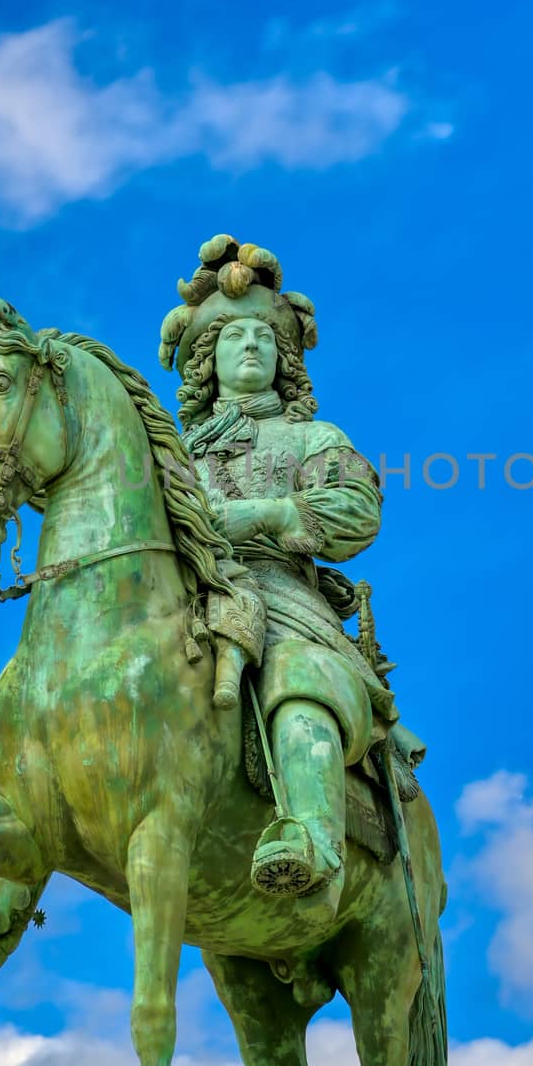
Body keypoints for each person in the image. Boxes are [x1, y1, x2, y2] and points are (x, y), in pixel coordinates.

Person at [159, 236, 398, 905]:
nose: (252, 347)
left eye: (265, 338)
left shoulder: (313, 440)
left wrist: (259, 515)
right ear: (207, 361)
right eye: (234, 337)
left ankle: (313, 838)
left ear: (284, 358)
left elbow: (356, 511)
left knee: (294, 680)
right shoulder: (167, 452)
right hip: (178, 595)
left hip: (283, 596)